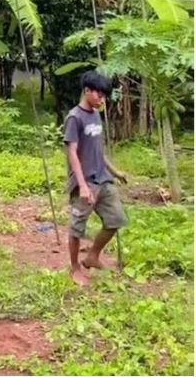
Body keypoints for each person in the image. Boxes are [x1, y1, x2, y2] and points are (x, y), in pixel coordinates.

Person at [63, 70, 128, 286]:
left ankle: (93, 256)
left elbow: (98, 150)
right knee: (77, 228)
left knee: (116, 219)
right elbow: (72, 153)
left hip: (103, 179)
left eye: (104, 95)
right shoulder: (74, 118)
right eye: (99, 94)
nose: (102, 99)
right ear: (86, 91)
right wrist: (82, 186)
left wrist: (116, 172)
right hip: (85, 182)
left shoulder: (96, 115)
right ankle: (74, 269)